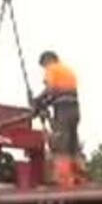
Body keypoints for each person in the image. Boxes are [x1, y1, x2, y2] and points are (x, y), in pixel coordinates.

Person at [33, 50, 83, 186]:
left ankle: (65, 179)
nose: (44, 69)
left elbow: (50, 88)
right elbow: (59, 91)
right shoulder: (67, 70)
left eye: (43, 65)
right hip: (74, 108)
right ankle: (78, 176)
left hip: (63, 110)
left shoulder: (52, 68)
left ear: (47, 60)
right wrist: (46, 102)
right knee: (73, 142)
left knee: (61, 143)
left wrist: (38, 100)